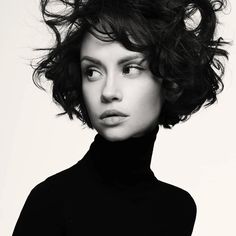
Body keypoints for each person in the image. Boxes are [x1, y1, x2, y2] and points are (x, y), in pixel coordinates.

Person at [13, 0, 228, 235]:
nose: (108, 92)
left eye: (129, 69)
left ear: (171, 81)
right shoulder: (51, 202)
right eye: (93, 72)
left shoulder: (177, 209)